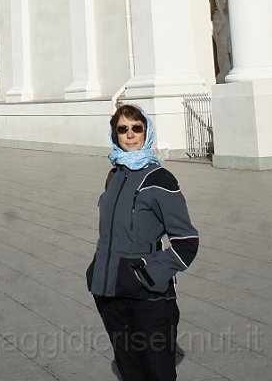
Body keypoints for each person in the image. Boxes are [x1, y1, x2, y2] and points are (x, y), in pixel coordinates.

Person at [87, 104, 199, 381]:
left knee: (157, 372)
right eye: (122, 129)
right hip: (110, 293)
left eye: (137, 128)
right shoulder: (114, 176)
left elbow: (187, 241)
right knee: (130, 371)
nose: (130, 134)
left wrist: (147, 274)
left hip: (148, 298)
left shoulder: (160, 179)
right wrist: (96, 270)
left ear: (146, 131)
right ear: (115, 134)